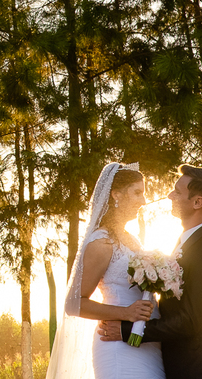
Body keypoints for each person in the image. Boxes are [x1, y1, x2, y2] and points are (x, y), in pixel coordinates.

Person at [97, 164, 202, 379]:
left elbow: (189, 320)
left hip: (200, 370)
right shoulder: (187, 242)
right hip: (175, 365)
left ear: (198, 202)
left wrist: (129, 333)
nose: (170, 195)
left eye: (178, 192)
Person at [45, 162, 164, 379]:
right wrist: (125, 313)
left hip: (147, 344)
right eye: (137, 193)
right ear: (116, 194)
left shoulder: (133, 241)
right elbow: (73, 304)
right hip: (117, 345)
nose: (143, 201)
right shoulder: (101, 242)